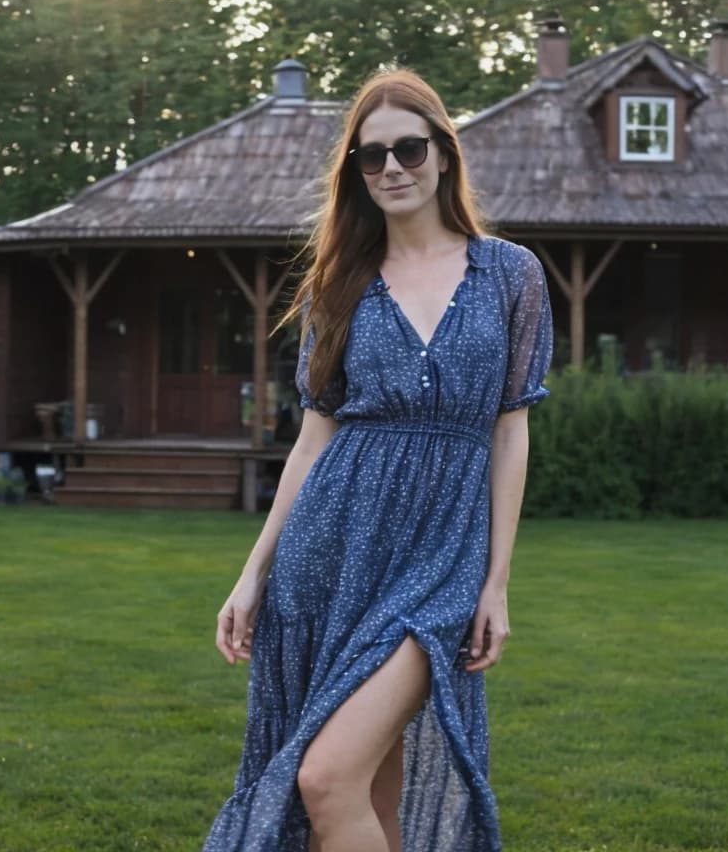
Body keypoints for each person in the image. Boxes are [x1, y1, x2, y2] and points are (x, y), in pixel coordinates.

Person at [203, 68, 554, 852]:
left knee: (323, 777)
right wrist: (253, 571)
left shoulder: (510, 275)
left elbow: (509, 431)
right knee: (363, 793)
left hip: (441, 559)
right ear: (356, 175)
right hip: (332, 550)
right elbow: (314, 439)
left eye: (408, 148)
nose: (392, 167)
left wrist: (495, 582)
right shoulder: (339, 286)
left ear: (443, 154)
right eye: (371, 157)